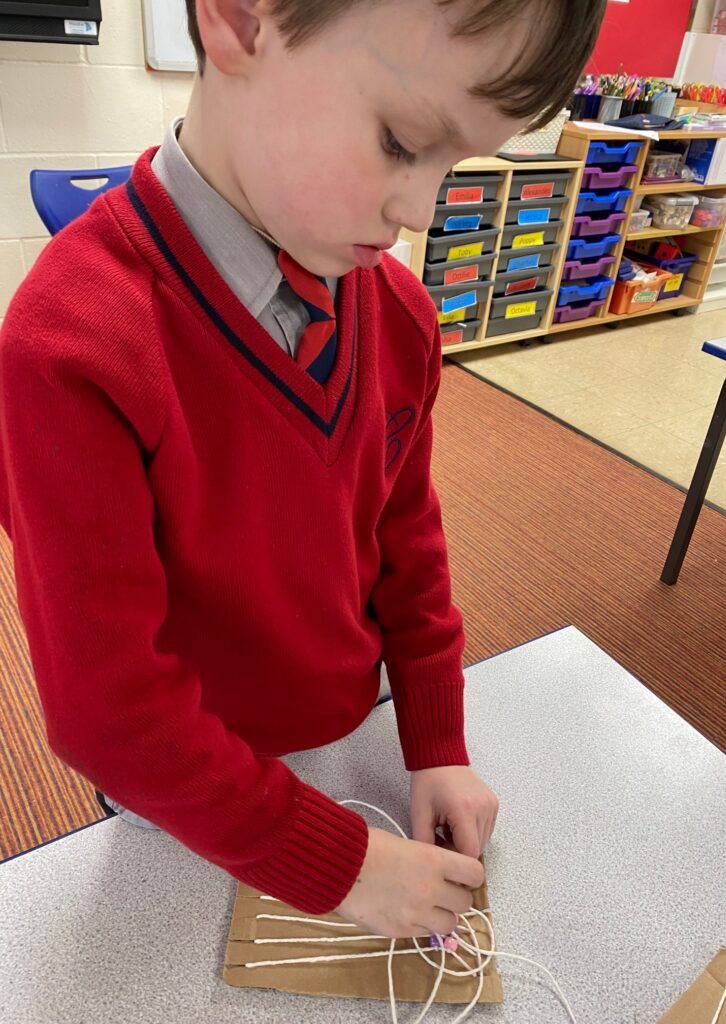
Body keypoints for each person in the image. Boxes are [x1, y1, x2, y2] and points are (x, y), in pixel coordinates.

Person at [0, 0, 605, 940]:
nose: (420, 213)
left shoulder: (396, 313)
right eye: (403, 142)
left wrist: (435, 740)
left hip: (346, 740)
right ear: (242, 19)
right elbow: (107, 710)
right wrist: (337, 864)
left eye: (459, 164)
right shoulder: (69, 348)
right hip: (186, 801)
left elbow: (407, 541)